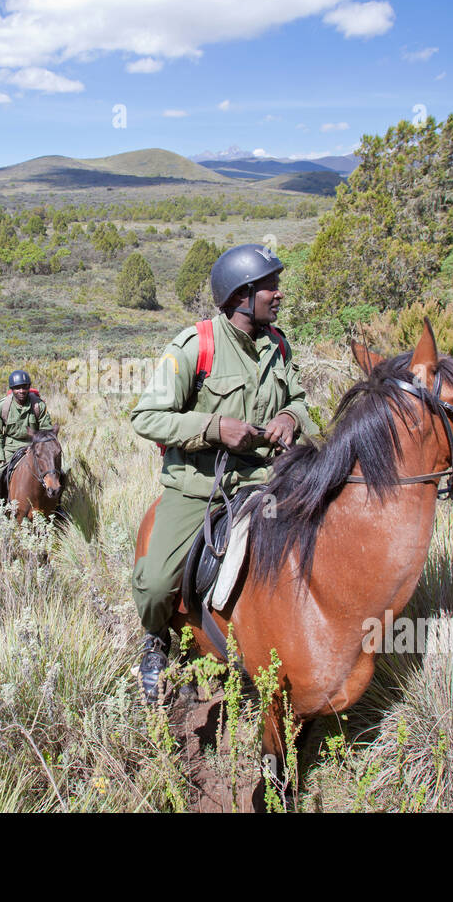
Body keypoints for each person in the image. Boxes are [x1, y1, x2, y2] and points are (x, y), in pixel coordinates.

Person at [130, 243, 318, 702]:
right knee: (156, 582)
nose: (279, 294)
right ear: (240, 296)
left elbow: (299, 402)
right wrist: (213, 427)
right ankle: (156, 640)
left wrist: (290, 420)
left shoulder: (279, 346)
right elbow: (146, 417)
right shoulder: (196, 345)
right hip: (198, 487)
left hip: (265, 481)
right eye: (269, 287)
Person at [0, 370, 53, 510]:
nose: (21, 391)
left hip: (35, 446)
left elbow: (46, 430)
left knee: (61, 471)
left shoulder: (38, 405)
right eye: (17, 388)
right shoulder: (2, 407)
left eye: (25, 387)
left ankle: (57, 505)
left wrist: (37, 445)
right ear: (12, 389)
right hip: (10, 448)